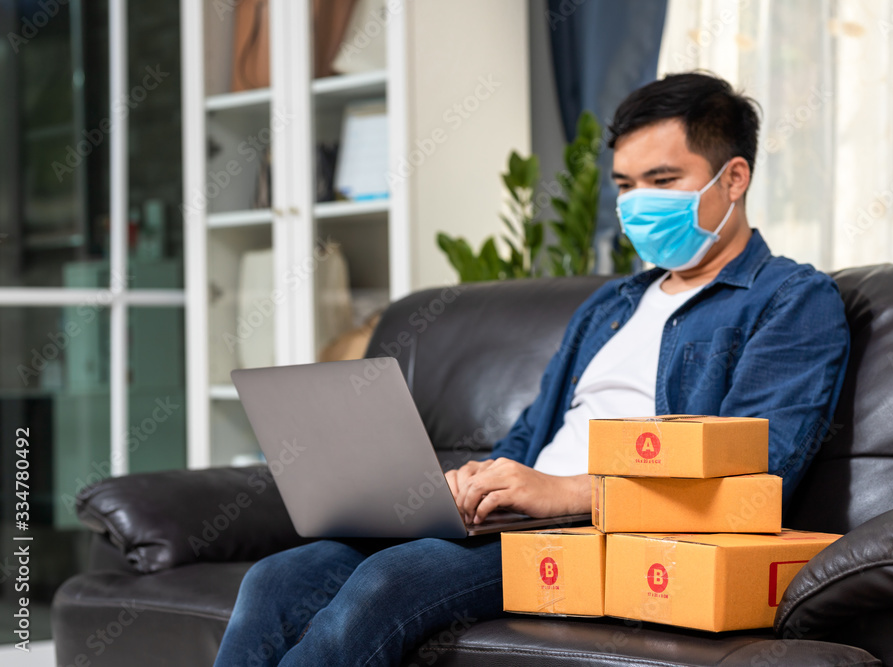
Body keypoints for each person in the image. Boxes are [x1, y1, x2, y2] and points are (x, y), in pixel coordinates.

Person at [213, 71, 850, 667]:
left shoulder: (792, 300)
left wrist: (570, 492)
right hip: (524, 514)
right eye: (625, 186)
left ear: (733, 178)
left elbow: (761, 476)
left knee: (389, 580)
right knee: (277, 577)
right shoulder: (612, 304)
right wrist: (473, 484)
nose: (637, 205)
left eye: (662, 180)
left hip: (599, 531)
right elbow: (530, 436)